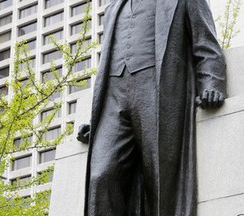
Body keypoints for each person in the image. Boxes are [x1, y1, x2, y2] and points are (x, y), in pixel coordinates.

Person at [77, 0, 226, 215]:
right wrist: (96, 121)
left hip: (158, 91)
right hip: (114, 97)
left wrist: (212, 84)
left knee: (160, 177)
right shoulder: (112, 9)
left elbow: (206, 45)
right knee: (101, 176)